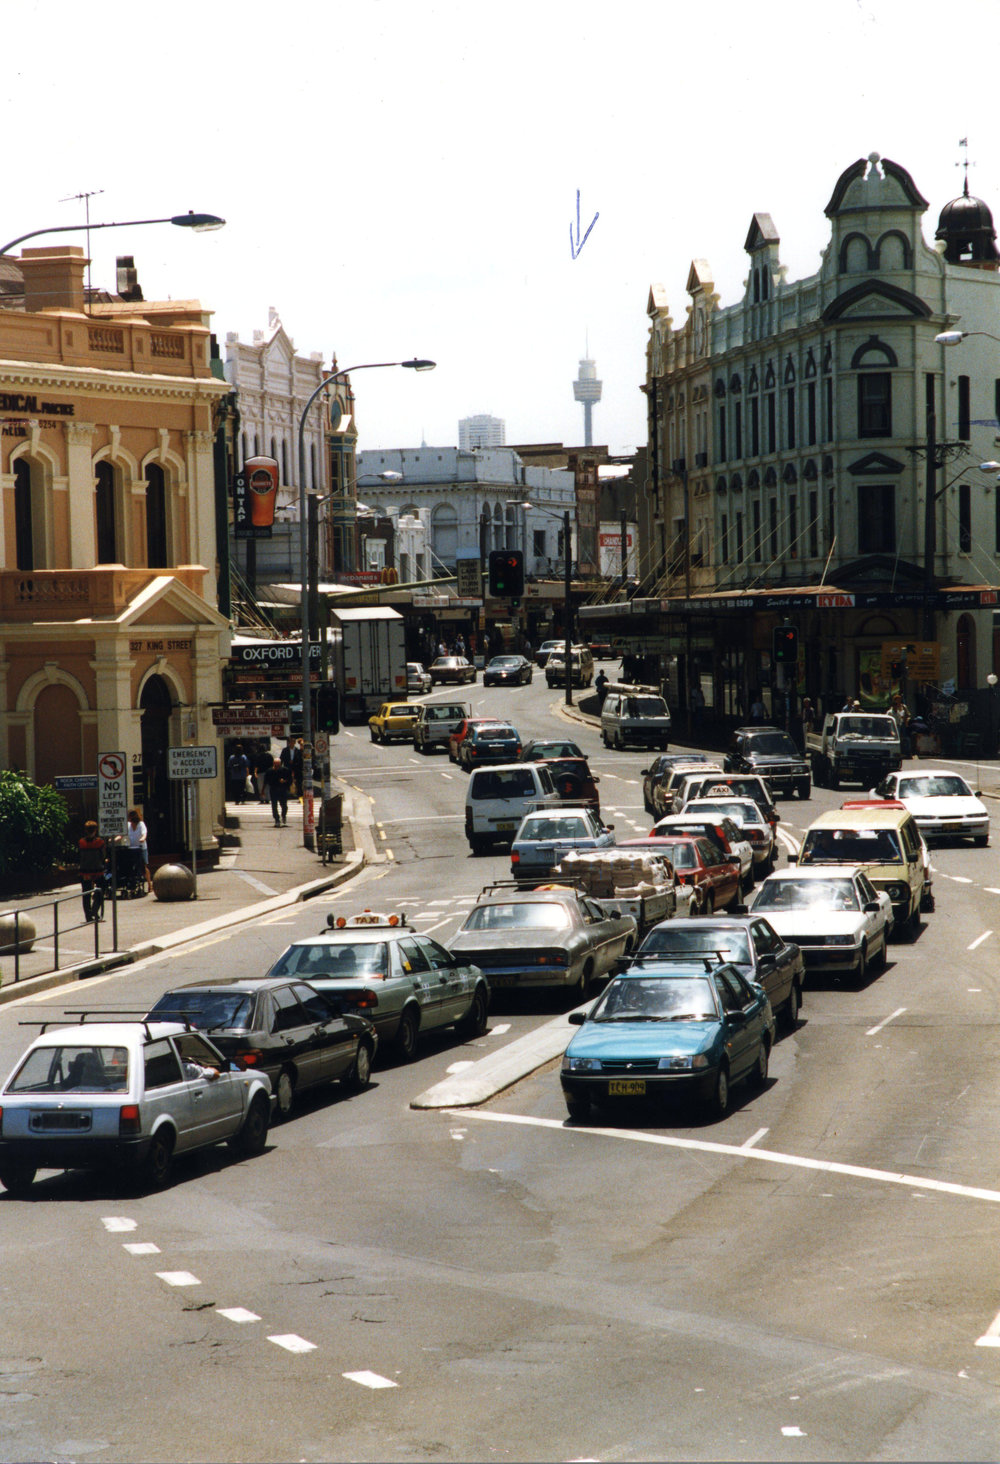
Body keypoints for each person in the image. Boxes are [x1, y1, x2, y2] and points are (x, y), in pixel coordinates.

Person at [78, 820, 106, 923]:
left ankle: (88, 916)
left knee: (86, 894)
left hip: (84, 871)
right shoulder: (100, 842)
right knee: (101, 890)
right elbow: (103, 856)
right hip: (97, 870)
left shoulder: (81, 842)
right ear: (95, 830)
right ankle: (95, 909)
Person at [126, 808, 153, 893]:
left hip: (141, 848)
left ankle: (149, 884)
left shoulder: (141, 824)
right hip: (131, 848)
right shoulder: (128, 825)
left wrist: (142, 838)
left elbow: (144, 833)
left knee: (143, 866)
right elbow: (122, 834)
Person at [263, 757, 293, 827]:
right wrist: (262, 791)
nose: (277, 767)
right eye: (276, 765)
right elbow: (265, 781)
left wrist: (285, 781)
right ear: (273, 764)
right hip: (273, 789)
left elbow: (290, 780)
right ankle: (277, 819)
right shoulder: (269, 771)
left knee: (284, 805)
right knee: (274, 805)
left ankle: (283, 815)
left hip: (283, 789)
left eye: (278, 765)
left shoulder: (285, 770)